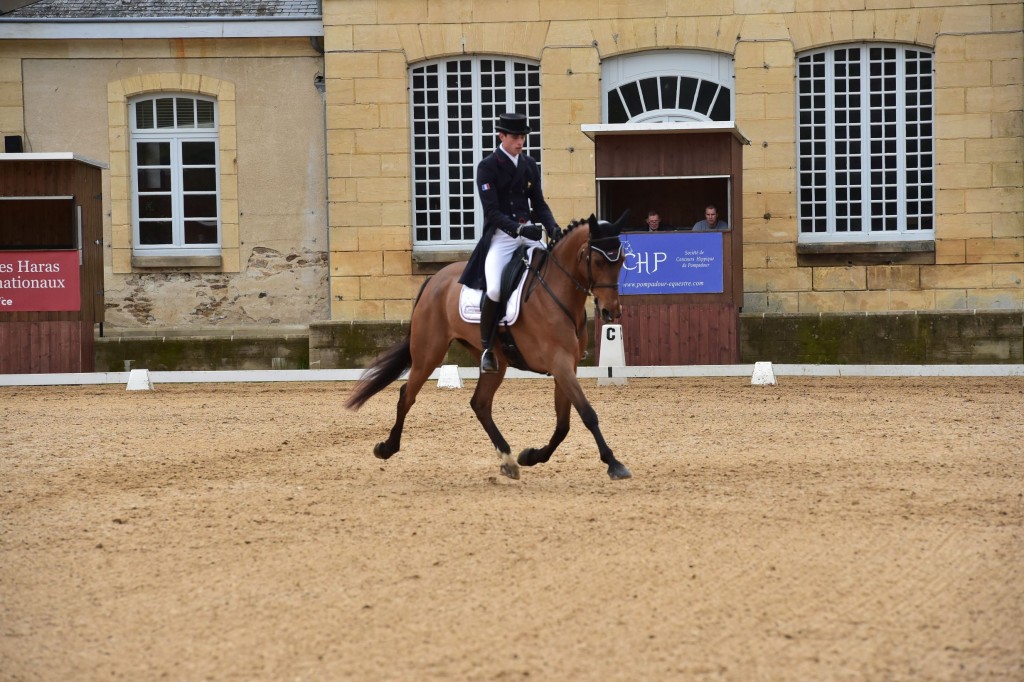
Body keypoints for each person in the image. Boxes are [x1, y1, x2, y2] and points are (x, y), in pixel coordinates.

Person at [459, 112, 561, 374]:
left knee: (554, 275)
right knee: (494, 289)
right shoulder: (488, 166)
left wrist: (553, 227)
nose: (520, 142)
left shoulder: (528, 164)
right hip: (502, 238)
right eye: (515, 137)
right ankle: (486, 349)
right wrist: (517, 228)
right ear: (501, 136)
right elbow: (491, 211)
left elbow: (537, 203)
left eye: (523, 137)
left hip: (528, 235)